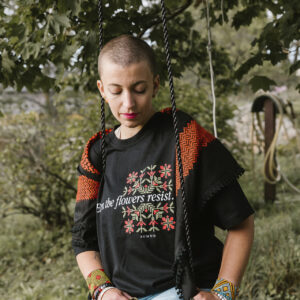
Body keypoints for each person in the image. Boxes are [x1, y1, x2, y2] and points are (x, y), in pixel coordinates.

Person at [71, 34, 254, 300]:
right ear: (101, 89)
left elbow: (241, 222)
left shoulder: (186, 139)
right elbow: (82, 240)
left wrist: (222, 293)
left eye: (139, 89)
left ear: (156, 85)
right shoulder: (96, 155)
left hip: (184, 290)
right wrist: (103, 290)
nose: (128, 103)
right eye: (116, 91)